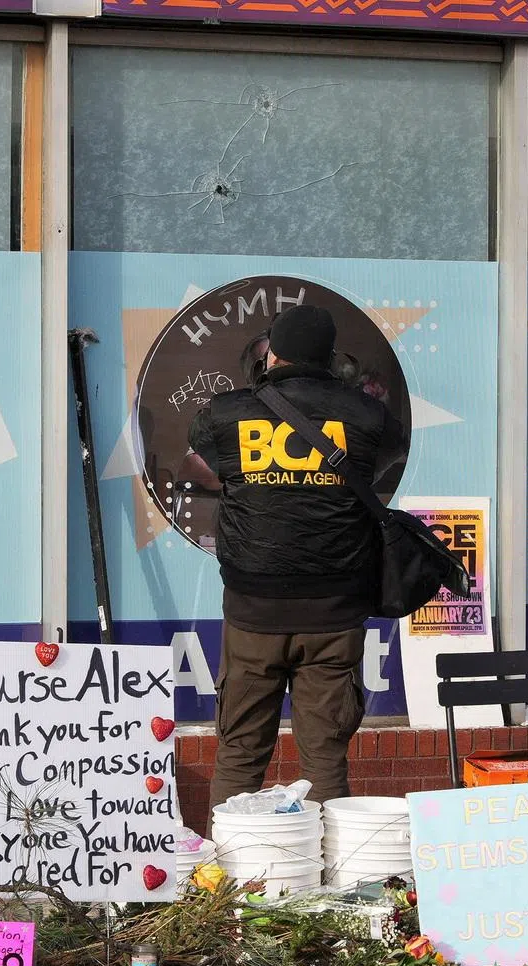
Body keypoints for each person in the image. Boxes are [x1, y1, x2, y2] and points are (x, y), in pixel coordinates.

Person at [187, 304, 405, 829]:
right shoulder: (368, 417)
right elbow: (385, 458)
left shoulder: (225, 414)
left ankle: (226, 872)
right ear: (331, 360)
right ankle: (331, 874)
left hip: (252, 614)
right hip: (334, 616)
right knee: (325, 761)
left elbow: (206, 454)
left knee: (239, 754)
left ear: (272, 355)